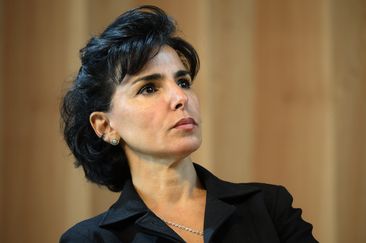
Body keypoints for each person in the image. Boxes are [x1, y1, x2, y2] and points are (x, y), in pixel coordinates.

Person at [60, 5, 317, 243]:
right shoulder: (91, 239)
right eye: (149, 88)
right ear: (105, 126)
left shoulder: (269, 207)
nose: (181, 97)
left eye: (183, 82)